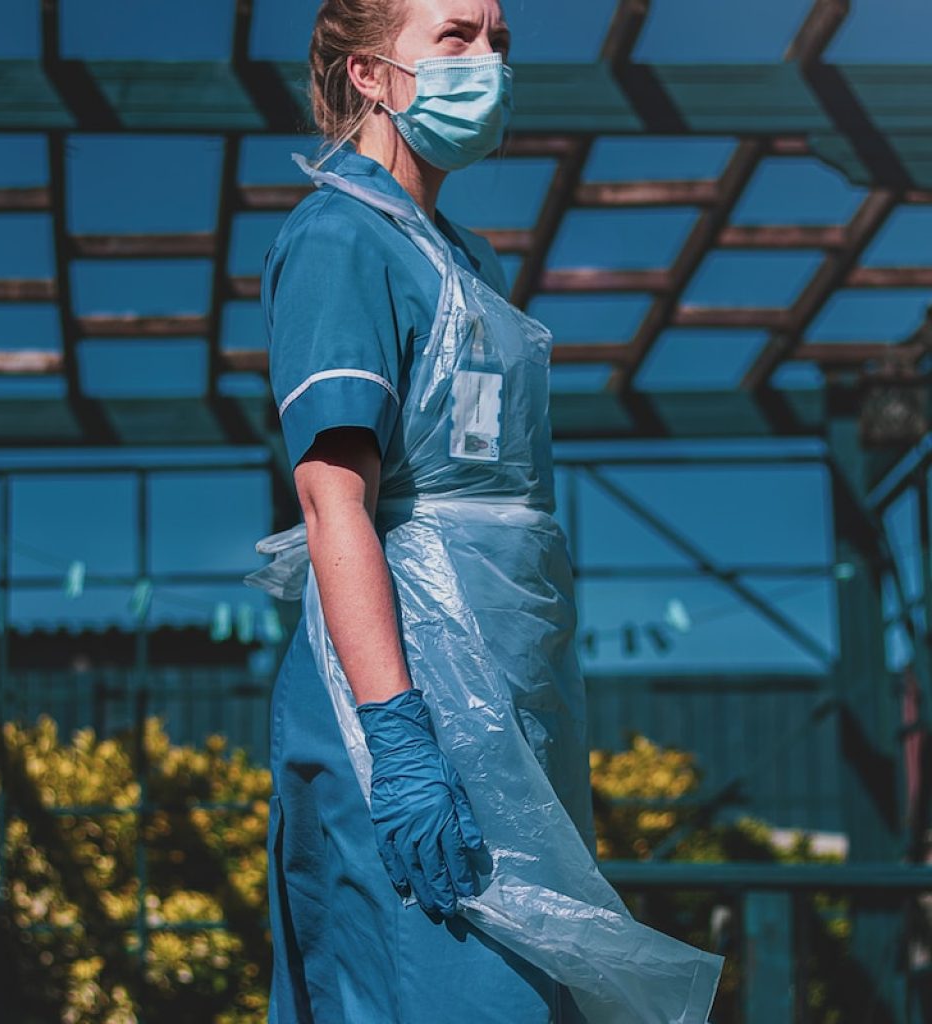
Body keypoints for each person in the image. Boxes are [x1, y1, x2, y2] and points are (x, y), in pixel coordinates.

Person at [249, 1, 723, 1021]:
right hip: (400, 693)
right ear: (372, 76)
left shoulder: (463, 257)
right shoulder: (339, 237)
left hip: (499, 692)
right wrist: (403, 740)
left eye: (499, 41)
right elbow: (336, 501)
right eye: (455, 37)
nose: (489, 62)